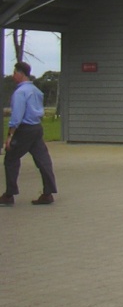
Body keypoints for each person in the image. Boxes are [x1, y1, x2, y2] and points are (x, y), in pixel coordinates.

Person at [1, 61, 58, 205]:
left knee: (11, 159)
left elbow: (16, 116)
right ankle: (48, 193)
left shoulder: (20, 92)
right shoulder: (36, 91)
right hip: (36, 128)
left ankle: (9, 195)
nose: (13, 76)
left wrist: (10, 136)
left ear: (21, 74)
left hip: (24, 129)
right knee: (43, 160)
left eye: (15, 73)